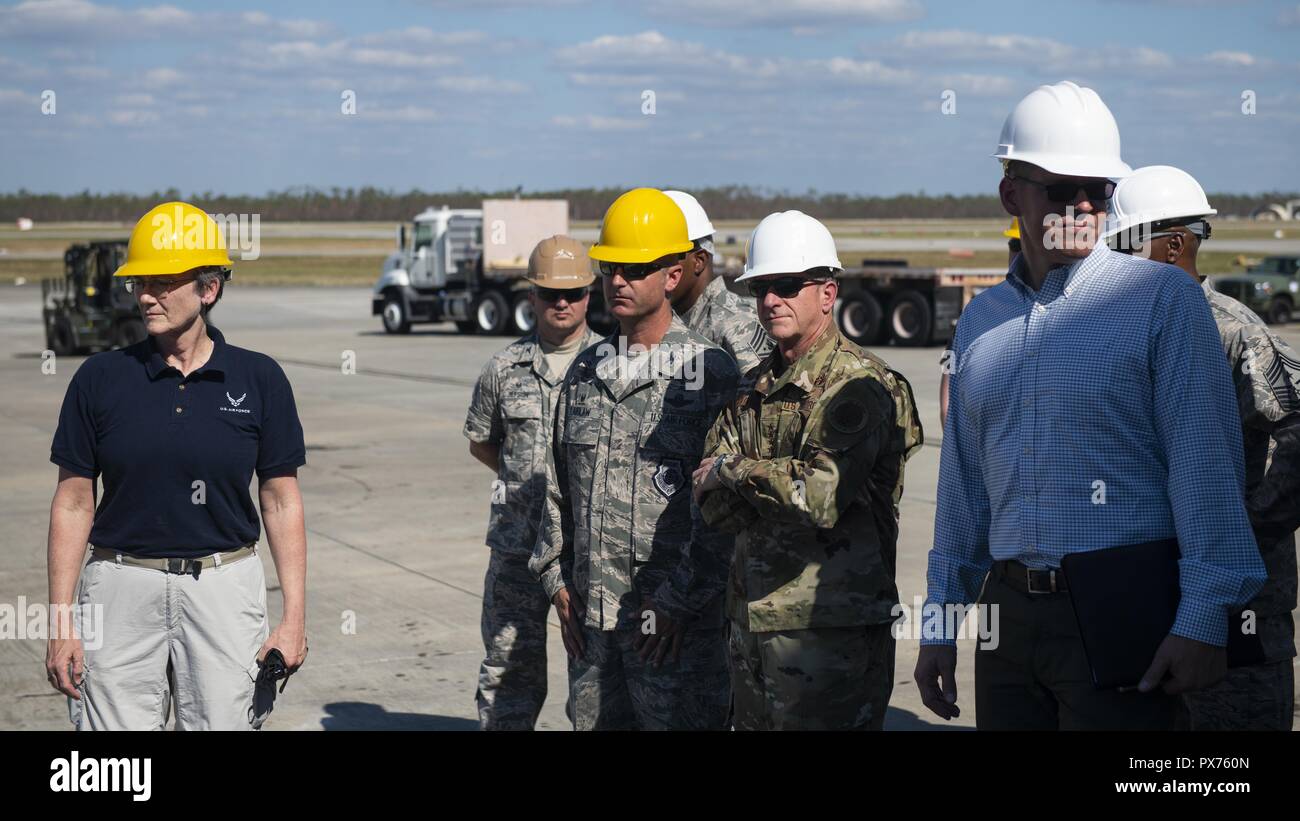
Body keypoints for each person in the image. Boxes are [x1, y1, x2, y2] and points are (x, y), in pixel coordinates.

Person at [914, 82, 1267, 730]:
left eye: (1097, 190)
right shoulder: (980, 322)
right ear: (1010, 194)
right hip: (1010, 622)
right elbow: (964, 491)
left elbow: (1206, 473)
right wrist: (940, 620)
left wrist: (1203, 616)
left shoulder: (1162, 302)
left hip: (1121, 614)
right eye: (1059, 187)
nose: (1081, 204)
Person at [45, 201, 308, 730]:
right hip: (119, 588)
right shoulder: (99, 380)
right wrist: (61, 621)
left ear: (208, 289)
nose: (145, 295)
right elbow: (74, 503)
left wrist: (294, 618)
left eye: (162, 283)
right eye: (140, 282)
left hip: (223, 588)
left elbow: (281, 501)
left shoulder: (259, 380)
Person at [693, 211, 922, 729]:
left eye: (788, 286)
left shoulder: (861, 388)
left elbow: (819, 495)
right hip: (752, 629)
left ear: (826, 293)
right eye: (762, 288)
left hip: (829, 638)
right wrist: (755, 479)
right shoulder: (754, 388)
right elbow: (712, 506)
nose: (771, 300)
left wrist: (734, 470)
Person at [531, 188, 738, 730]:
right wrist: (557, 581)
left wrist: (676, 603)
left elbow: (720, 513)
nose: (617, 281)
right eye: (609, 268)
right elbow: (555, 486)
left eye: (635, 269)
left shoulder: (707, 374)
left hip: (673, 635)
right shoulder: (584, 370)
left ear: (672, 274)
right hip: (593, 633)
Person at [1104, 165, 1300, 730]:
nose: (1109, 261)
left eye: (1122, 246)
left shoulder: (1231, 331)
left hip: (1240, 617)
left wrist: (1242, 524)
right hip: (1150, 601)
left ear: (1172, 245)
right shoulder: (1123, 327)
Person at [463, 235, 601, 730]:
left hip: (588, 553)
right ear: (532, 298)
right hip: (517, 548)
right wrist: (526, 481)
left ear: (591, 295)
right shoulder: (503, 368)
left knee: (594, 677)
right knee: (508, 670)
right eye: (549, 294)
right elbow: (483, 441)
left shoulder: (615, 367)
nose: (561, 303)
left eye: (574, 293)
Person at [663, 189, 773, 383]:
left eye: (664, 259)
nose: (654, 271)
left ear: (699, 261)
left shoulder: (737, 328)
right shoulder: (672, 318)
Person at [940, 218, 1020, 428]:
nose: (1020, 256)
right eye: (1015, 246)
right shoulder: (978, 310)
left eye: (1028, 246)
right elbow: (950, 372)